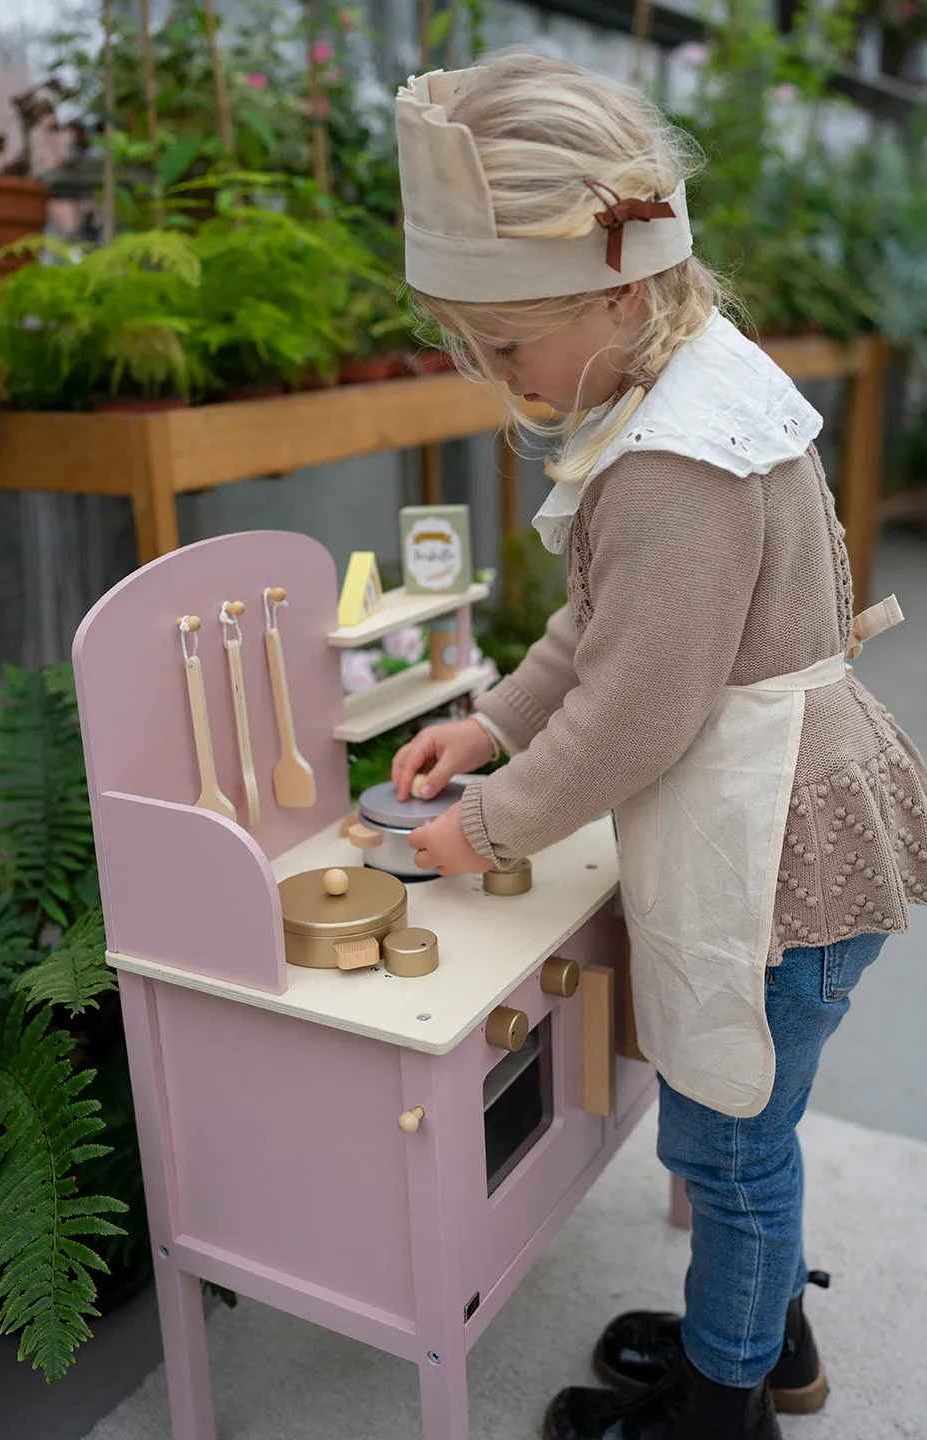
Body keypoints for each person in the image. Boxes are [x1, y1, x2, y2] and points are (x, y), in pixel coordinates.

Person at [390, 51, 927, 1440]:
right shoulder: (696, 380)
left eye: (505, 348)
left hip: (774, 866)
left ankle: (725, 1400)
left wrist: (492, 825)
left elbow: (637, 707)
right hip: (800, 828)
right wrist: (495, 718)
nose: (495, 380)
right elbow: (601, 626)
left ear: (619, 290)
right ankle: (769, 1342)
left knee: (727, 1147)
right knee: (745, 1129)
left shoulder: (670, 468)